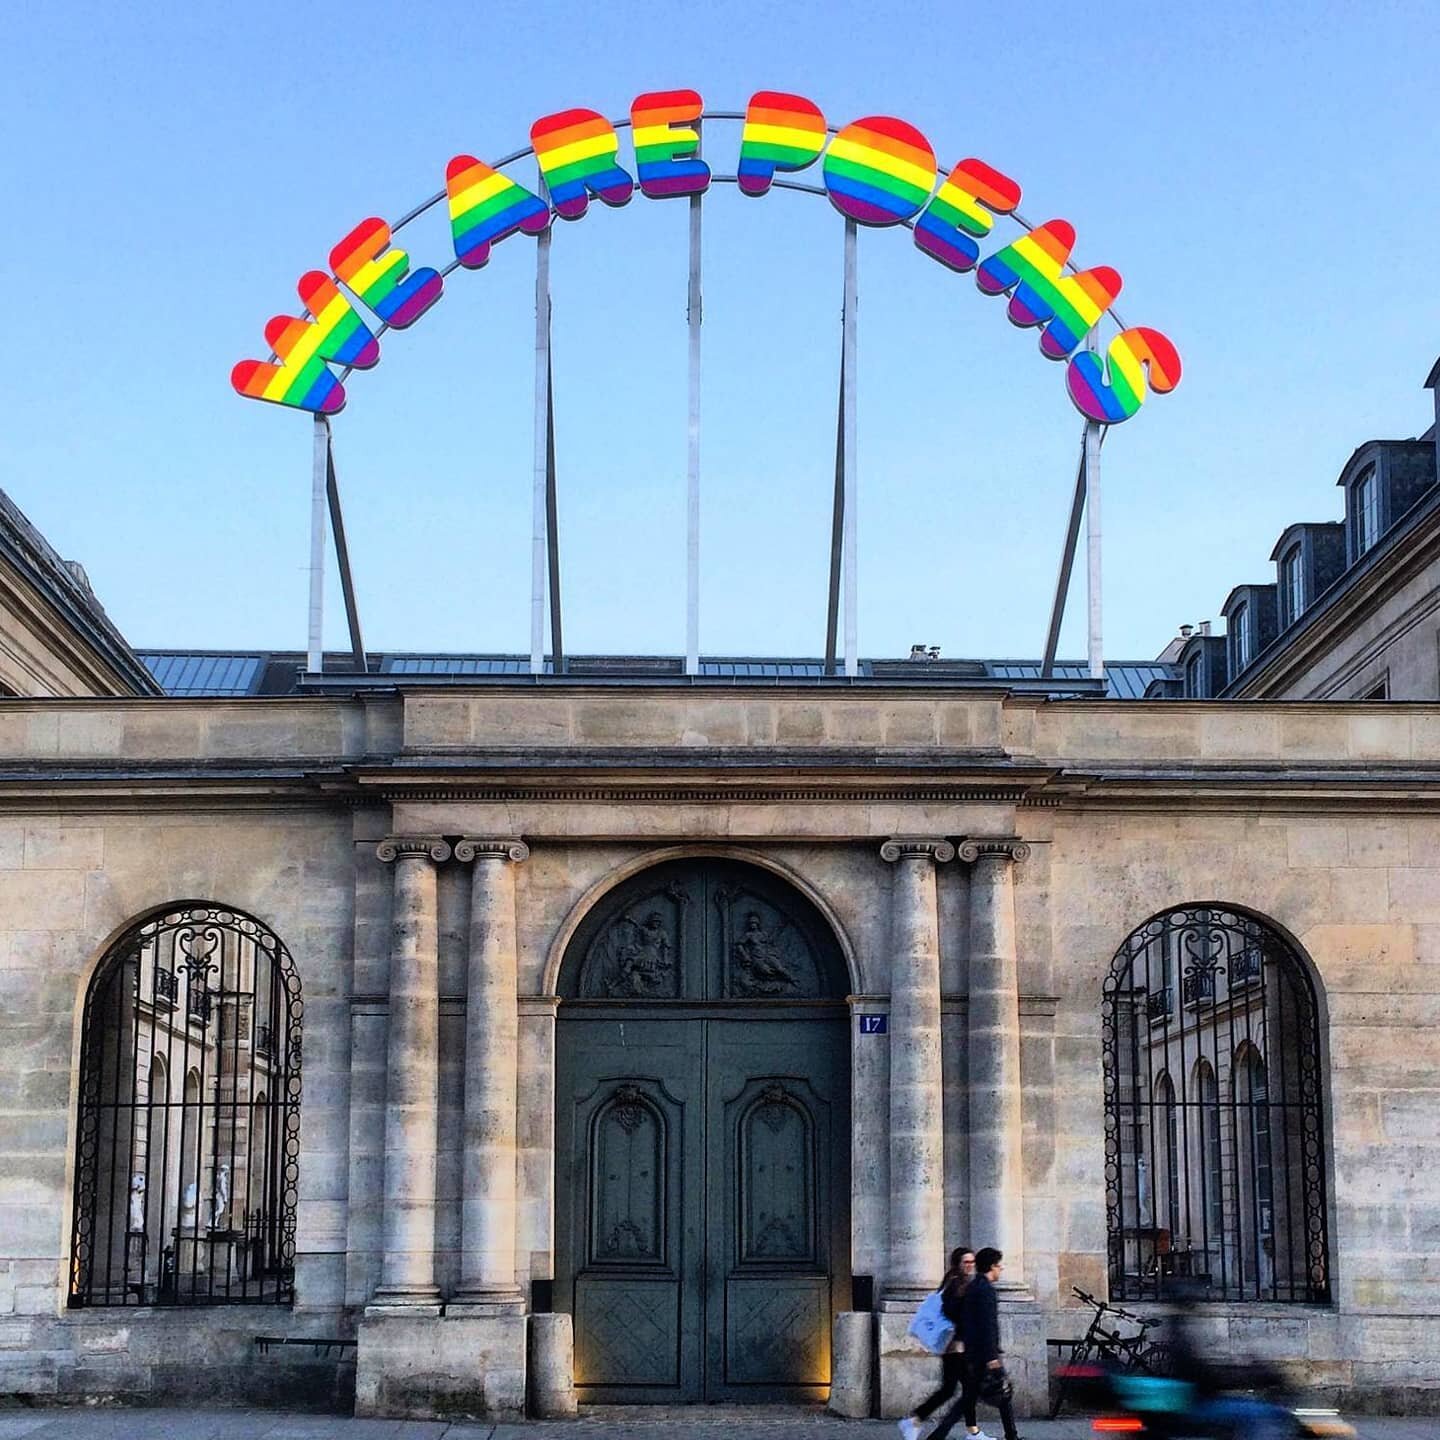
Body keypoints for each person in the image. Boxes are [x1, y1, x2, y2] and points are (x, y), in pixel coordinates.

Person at [898, 1248, 979, 1440]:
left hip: (956, 1346)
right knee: (965, 1389)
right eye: (966, 1262)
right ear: (957, 1264)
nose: (970, 1266)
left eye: (972, 1262)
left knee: (952, 1389)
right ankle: (972, 1432)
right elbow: (951, 1312)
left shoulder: (959, 1283)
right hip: (955, 1347)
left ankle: (916, 1420)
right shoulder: (956, 1284)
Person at [957, 1247, 1020, 1440]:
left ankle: (1008, 1435)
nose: (1001, 1269)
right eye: (999, 1265)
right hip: (983, 1354)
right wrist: (992, 1356)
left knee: (973, 1395)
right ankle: (1010, 1435)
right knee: (1002, 1393)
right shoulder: (985, 1290)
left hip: (975, 1352)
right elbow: (987, 1325)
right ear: (992, 1266)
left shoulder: (975, 1286)